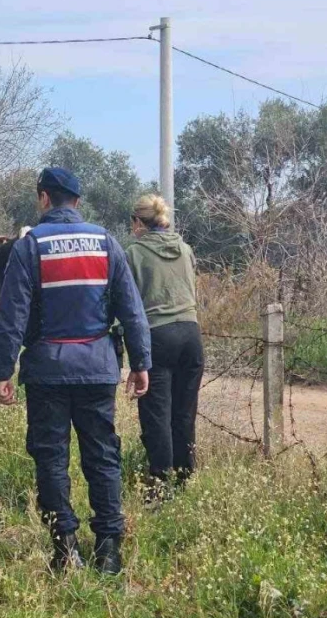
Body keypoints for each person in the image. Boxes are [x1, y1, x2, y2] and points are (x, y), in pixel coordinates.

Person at [0, 167, 151, 575]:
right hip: (97, 369)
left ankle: (64, 548)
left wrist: (2, 370)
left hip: (47, 373)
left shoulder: (29, 248)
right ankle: (109, 550)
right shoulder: (106, 242)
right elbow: (131, 309)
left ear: (44, 198)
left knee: (51, 459)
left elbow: (11, 316)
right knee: (102, 457)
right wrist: (141, 362)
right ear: (77, 202)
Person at [125, 195, 204, 502]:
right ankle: (186, 481)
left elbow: (130, 306)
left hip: (158, 335)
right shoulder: (185, 249)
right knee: (184, 414)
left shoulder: (134, 253)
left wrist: (132, 353)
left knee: (157, 416)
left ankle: (160, 487)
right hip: (191, 333)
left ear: (138, 222)